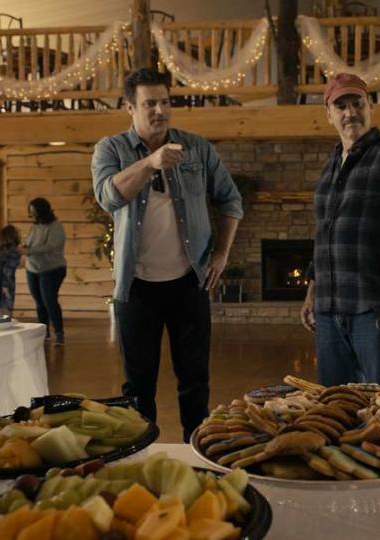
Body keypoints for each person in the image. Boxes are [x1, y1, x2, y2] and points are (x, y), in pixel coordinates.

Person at [91, 68, 243, 443]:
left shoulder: (198, 149)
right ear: (130, 108)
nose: (159, 110)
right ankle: (140, 455)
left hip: (189, 283)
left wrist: (221, 254)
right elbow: (108, 196)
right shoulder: (111, 149)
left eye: (165, 102)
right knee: (138, 386)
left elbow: (231, 201)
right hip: (136, 287)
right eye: (149, 104)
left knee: (195, 381)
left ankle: (197, 455)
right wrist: (149, 162)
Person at [300, 73, 380, 390]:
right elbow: (325, 236)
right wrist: (311, 294)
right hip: (329, 313)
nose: (350, 113)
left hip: (376, 311)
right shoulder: (331, 167)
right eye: (340, 106)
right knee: (335, 408)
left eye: (357, 103)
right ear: (328, 115)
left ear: (370, 106)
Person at [21, 198, 67, 343]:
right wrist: (23, 246)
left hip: (52, 269)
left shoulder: (56, 227)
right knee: (39, 302)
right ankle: (44, 332)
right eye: (30, 213)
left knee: (49, 301)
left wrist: (29, 251)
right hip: (32, 269)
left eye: (34, 213)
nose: (32, 216)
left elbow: (51, 247)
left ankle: (59, 333)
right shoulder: (35, 227)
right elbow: (30, 242)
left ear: (42, 212)